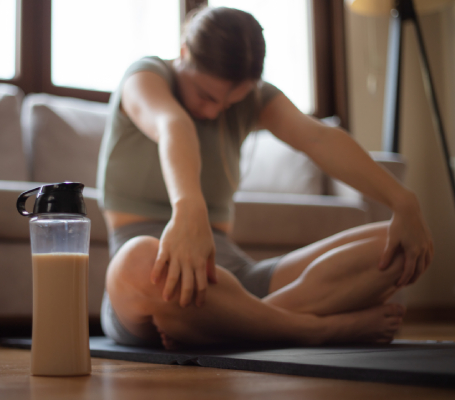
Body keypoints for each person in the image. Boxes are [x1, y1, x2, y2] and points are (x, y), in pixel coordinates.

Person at [96, 6, 433, 349]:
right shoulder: (146, 76)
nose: (214, 111)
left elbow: (319, 138)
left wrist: (403, 201)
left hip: (235, 283)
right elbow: (174, 125)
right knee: (138, 260)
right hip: (156, 283)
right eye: (206, 96)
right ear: (184, 54)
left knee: (398, 247)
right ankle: (316, 330)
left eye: (230, 103)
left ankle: (231, 326)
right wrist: (187, 208)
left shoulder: (254, 98)